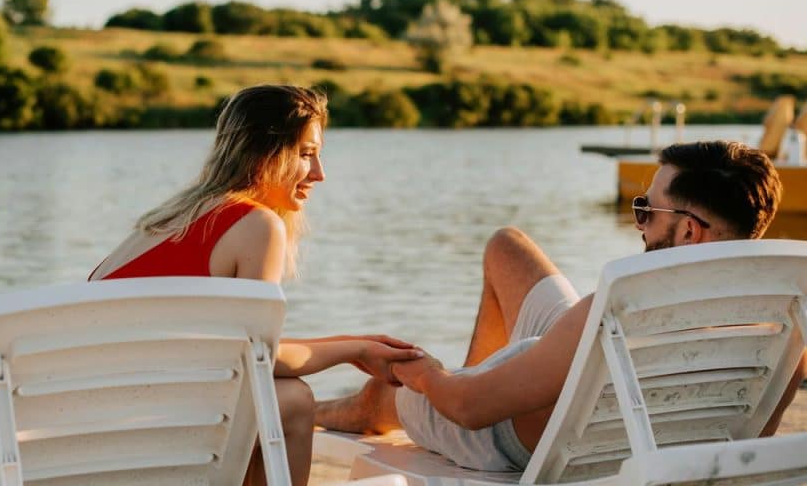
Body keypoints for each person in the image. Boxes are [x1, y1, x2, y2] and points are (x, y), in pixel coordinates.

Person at [316, 140, 804, 472]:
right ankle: (488, 370)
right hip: (581, 383)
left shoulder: (614, 313)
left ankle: (294, 410)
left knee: (379, 396)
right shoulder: (788, 323)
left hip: (512, 433)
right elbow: (752, 433)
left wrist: (424, 373)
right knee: (507, 247)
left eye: (646, 212)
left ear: (689, 230)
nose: (640, 225)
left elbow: (468, 408)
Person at [88, 84, 422, 486]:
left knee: (254, 398)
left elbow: (244, 352)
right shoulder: (254, 224)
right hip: (144, 426)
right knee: (293, 400)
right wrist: (356, 349)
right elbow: (259, 360)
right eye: (306, 154)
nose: (319, 173)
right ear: (266, 154)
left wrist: (356, 343)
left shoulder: (164, 221)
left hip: (98, 418)